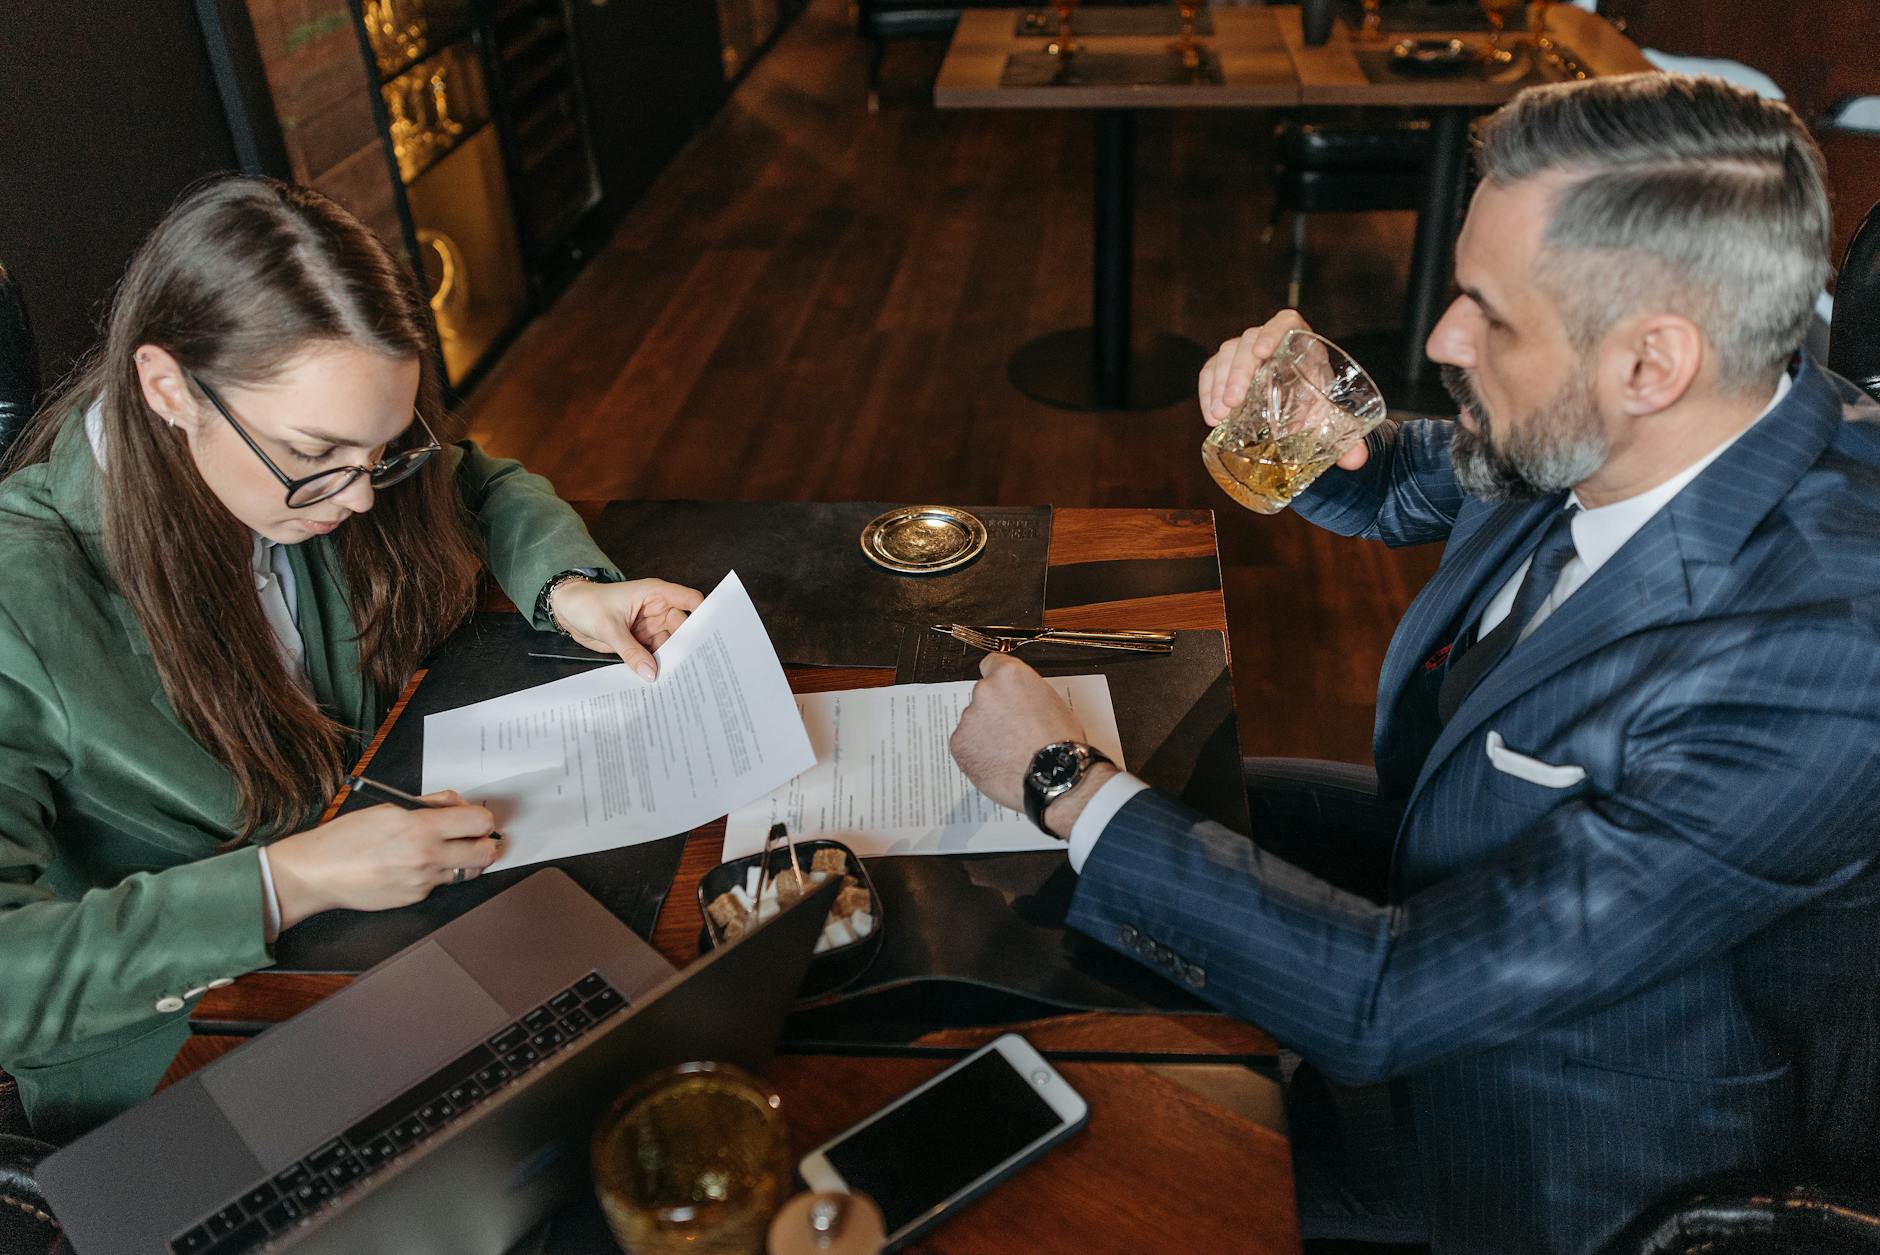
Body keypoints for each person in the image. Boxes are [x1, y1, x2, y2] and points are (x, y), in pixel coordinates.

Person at [950, 74, 1880, 1255]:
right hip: (1446, 894)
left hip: (1549, 1149)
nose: (1440, 339)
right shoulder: (1669, 415)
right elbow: (1403, 474)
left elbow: (1390, 1001)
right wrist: (1310, 430)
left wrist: (1060, 783)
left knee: (1071, 1181)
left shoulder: (1821, 662)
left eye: (1487, 315)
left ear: (1651, 364)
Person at [0, 176, 702, 1141]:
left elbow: (475, 479)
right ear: (168, 389)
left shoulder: (318, 477)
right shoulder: (19, 594)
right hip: (186, 1045)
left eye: (380, 453)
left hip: (383, 938)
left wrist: (569, 589)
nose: (362, 498)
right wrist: (285, 881)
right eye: (318, 452)